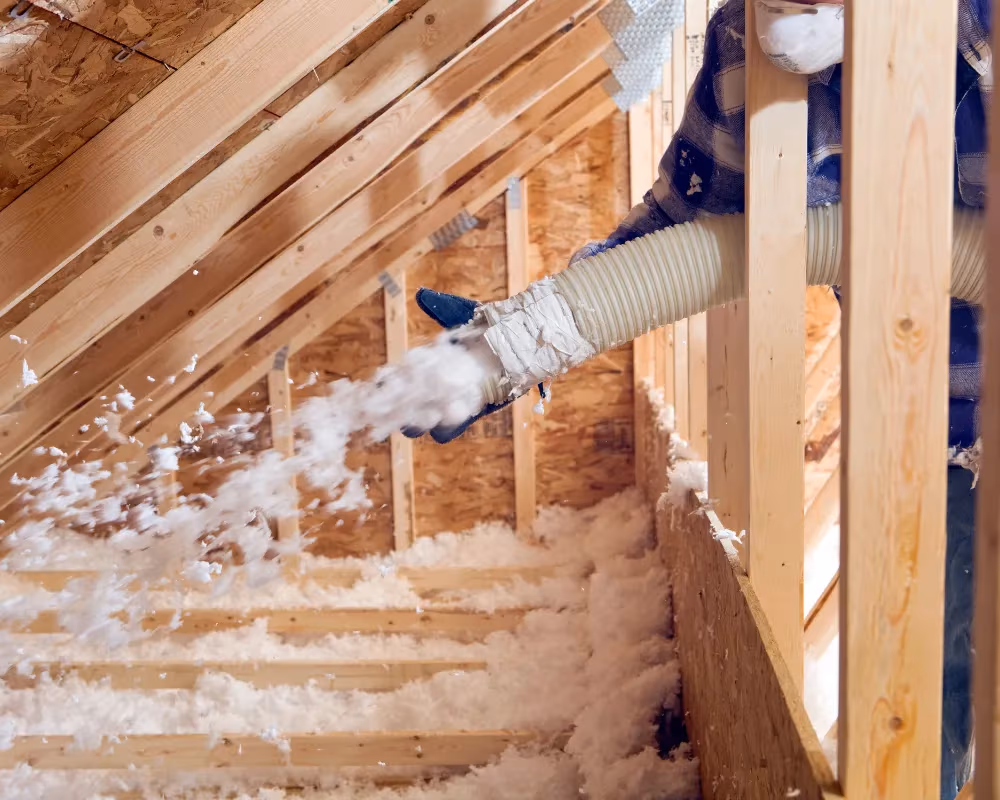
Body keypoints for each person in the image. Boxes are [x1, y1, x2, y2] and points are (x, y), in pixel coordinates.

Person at [404, 1, 989, 795]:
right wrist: (507, 348)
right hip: (940, 431)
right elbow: (688, 230)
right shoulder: (745, 43)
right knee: (927, 712)